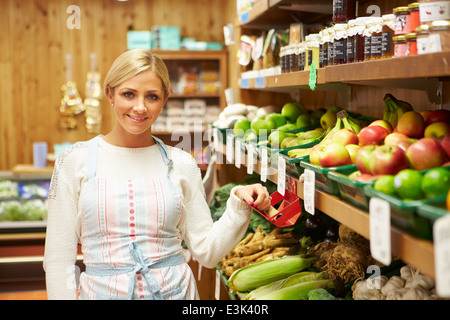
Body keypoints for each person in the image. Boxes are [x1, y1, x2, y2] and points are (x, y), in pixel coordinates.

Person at [44, 49, 271, 300]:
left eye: (151, 96)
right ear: (110, 93)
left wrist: (239, 204)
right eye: (128, 94)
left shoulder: (182, 163)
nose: (139, 107)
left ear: (165, 98)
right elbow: (58, 260)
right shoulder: (73, 161)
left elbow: (207, 252)